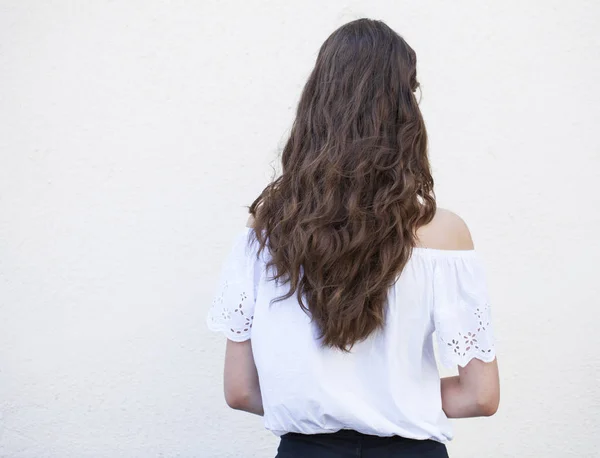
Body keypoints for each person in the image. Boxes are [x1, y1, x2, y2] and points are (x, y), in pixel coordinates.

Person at [207, 17, 499, 458]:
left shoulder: (265, 233)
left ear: (316, 104)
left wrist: (327, 402)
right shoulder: (442, 235)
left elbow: (241, 390)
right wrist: (392, 399)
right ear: (406, 110)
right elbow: (480, 396)